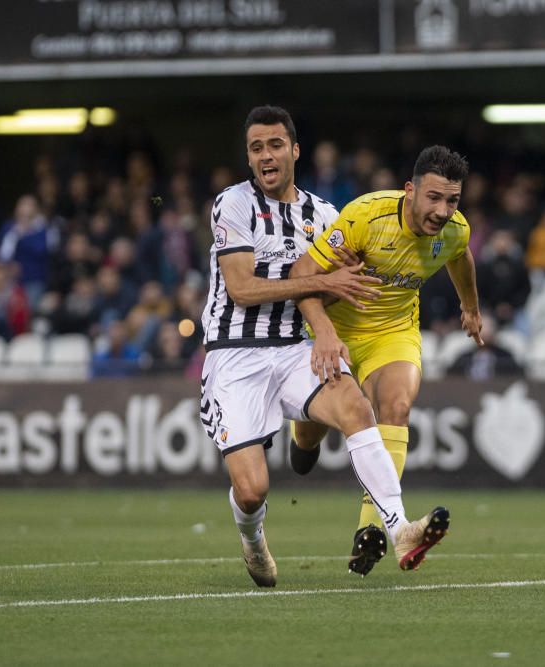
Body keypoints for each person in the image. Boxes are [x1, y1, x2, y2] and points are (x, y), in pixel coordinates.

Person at [201, 106, 450, 588]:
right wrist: (317, 281)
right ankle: (253, 540)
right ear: (249, 158)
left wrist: (340, 311)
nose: (266, 156)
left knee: (358, 408)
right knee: (252, 492)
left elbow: (341, 284)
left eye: (275, 145)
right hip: (235, 354)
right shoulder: (233, 204)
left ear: (294, 151)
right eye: (256, 148)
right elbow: (242, 289)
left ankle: (400, 529)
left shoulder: (325, 215)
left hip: (296, 346)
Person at [288, 145, 483, 576]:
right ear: (409, 191)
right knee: (307, 439)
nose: (442, 211)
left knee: (395, 407)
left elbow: (461, 256)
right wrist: (322, 331)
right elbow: (301, 274)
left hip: (392, 333)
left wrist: (470, 308)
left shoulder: (456, 230)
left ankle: (371, 532)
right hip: (336, 332)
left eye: (452, 200)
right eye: (433, 197)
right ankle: (302, 441)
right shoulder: (365, 217)